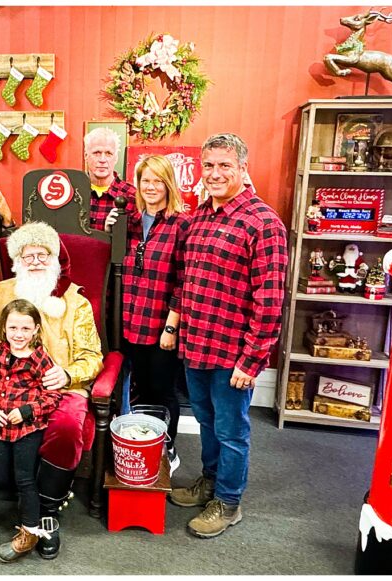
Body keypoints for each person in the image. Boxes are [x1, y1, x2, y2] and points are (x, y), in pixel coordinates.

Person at [0, 222, 103, 563]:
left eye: (42, 254)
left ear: (55, 258)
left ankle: (46, 513)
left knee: (68, 426)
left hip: (56, 386)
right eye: (26, 255)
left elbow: (93, 357)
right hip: (0, 381)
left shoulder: (76, 300)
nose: (34, 261)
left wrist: (69, 372)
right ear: (15, 260)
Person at [170, 133, 288, 539]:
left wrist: (252, 360)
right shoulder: (198, 218)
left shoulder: (264, 223)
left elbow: (270, 300)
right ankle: (210, 482)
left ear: (242, 168)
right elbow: (186, 282)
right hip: (196, 346)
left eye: (225, 166)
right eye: (209, 166)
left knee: (232, 430)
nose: (216, 173)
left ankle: (228, 501)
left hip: (232, 354)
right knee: (205, 421)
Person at [104, 155, 190, 473]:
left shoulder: (181, 224)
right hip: (126, 323)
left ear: (168, 184)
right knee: (129, 389)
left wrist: (171, 327)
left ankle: (166, 451)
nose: (151, 187)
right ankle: (132, 449)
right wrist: (110, 230)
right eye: (145, 180)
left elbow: (183, 281)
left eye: (158, 180)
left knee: (161, 392)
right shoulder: (129, 221)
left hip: (159, 326)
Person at [0, 299, 62, 563]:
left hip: (28, 428)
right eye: (13, 327)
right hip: (1, 426)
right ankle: (26, 504)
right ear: (4, 327)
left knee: (24, 478)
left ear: (36, 329)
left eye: (25, 329)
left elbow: (52, 397)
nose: (19, 334)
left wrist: (27, 411)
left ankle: (30, 530)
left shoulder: (40, 358)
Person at [83, 127, 137, 230]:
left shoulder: (132, 195)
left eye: (108, 153)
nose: (102, 160)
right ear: (86, 156)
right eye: (96, 153)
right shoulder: (72, 192)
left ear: (116, 158)